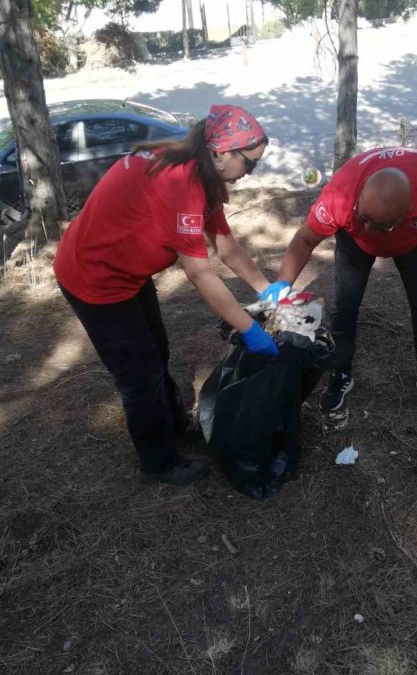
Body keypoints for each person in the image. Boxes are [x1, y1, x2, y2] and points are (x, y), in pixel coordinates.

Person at [54, 104, 288, 486]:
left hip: (127, 272)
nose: (250, 173)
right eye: (250, 164)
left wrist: (266, 290)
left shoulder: (202, 173)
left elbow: (226, 248)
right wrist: (249, 328)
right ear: (221, 152)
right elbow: (198, 272)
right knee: (139, 375)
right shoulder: (181, 184)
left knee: (157, 351)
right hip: (94, 278)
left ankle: (174, 425)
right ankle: (157, 461)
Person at [269, 146, 417, 413]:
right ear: (363, 190)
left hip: (415, 239)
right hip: (354, 242)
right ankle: (340, 373)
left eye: (377, 226)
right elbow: (305, 239)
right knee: (344, 307)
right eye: (364, 216)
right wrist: (282, 285)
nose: (369, 228)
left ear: (410, 208)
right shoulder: (340, 197)